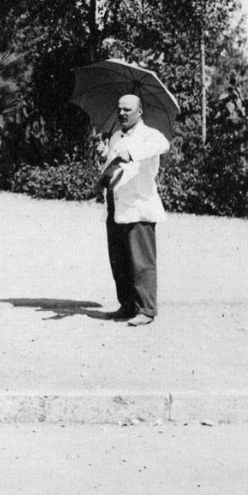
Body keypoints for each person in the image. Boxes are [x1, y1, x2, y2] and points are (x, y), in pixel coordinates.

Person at [96, 93, 170, 327]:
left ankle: (146, 309)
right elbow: (112, 169)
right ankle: (127, 305)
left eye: (128, 109)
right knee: (119, 260)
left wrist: (133, 152)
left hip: (139, 206)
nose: (122, 113)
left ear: (140, 112)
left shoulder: (151, 135)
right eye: (119, 109)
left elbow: (163, 146)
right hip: (116, 205)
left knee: (141, 261)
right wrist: (104, 155)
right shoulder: (116, 136)